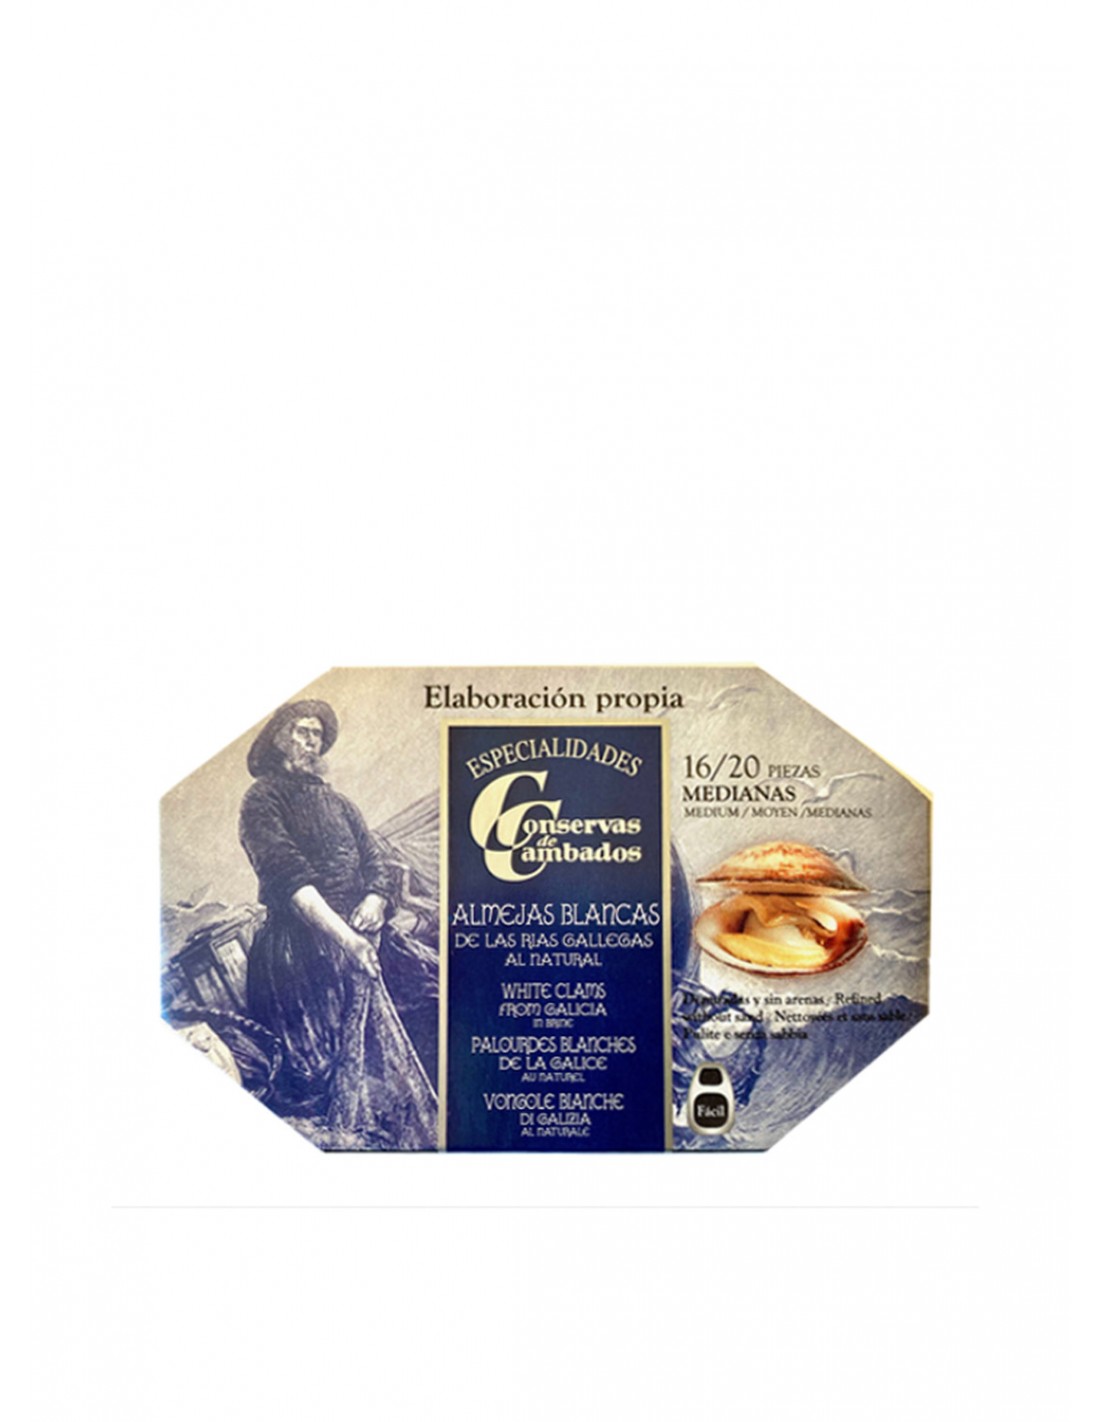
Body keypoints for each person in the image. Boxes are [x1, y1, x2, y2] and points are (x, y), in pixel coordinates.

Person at [239, 699, 436, 1148]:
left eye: (317, 735)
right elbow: (288, 877)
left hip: (365, 931)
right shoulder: (262, 799)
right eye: (301, 732)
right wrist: (347, 940)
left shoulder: (340, 804)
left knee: (428, 1000)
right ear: (278, 739)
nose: (311, 742)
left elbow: (375, 862)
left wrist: (376, 899)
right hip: (302, 947)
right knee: (319, 1074)